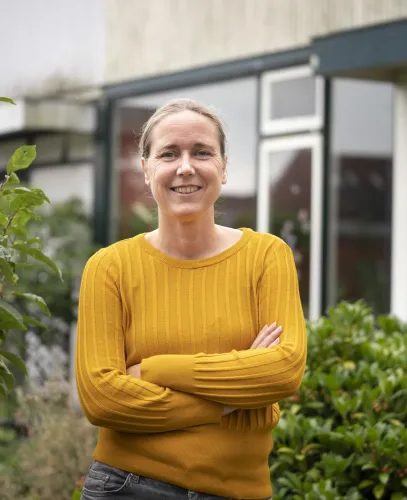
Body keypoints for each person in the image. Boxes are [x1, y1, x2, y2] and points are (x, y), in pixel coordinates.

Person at [75, 98, 307, 500]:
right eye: (169, 154)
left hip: (240, 491)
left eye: (201, 152)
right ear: (146, 171)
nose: (186, 167)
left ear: (223, 167)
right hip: (128, 487)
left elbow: (283, 370)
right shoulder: (109, 267)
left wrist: (154, 370)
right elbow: (102, 399)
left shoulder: (267, 256)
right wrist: (227, 402)